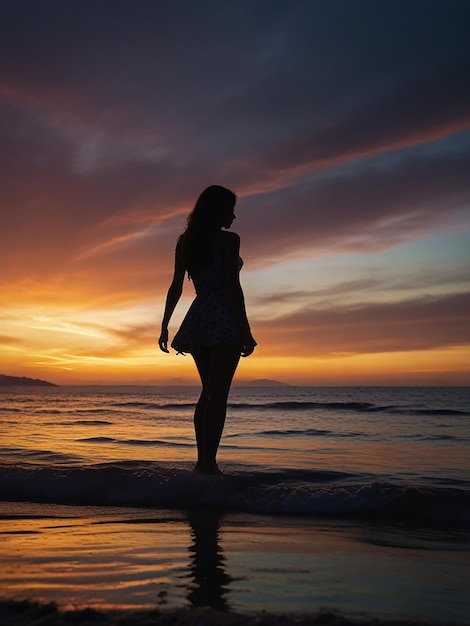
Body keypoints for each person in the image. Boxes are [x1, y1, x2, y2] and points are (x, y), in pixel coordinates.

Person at [158, 185, 257, 474]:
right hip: (223, 316)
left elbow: (176, 286)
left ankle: (203, 463)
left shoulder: (186, 241)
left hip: (200, 317)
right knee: (217, 395)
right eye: (230, 209)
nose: (234, 216)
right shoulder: (229, 241)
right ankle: (208, 465)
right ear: (218, 211)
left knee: (208, 394)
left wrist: (165, 325)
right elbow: (232, 287)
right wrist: (246, 330)